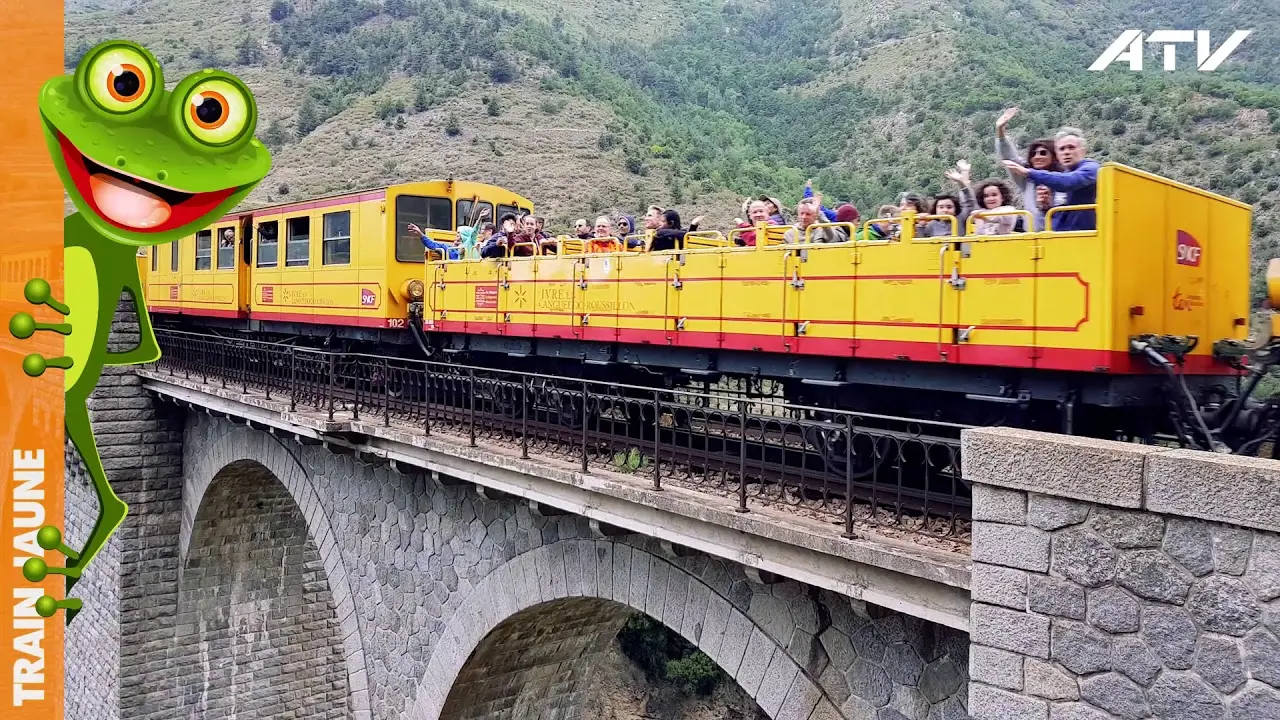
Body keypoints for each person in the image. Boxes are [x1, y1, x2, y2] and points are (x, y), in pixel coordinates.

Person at [1004, 127, 1098, 232]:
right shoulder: (1065, 173)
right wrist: (1047, 206)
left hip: (1085, 236)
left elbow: (1068, 182)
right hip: (1061, 236)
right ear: (1057, 154)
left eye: (1071, 147)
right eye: (1062, 149)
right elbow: (1062, 214)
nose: (1066, 152)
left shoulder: (1091, 168)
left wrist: (1028, 172)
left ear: (1083, 151)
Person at [995, 107, 1066, 231]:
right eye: (1034, 153)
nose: (1037, 157)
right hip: (1032, 239)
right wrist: (1000, 131)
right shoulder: (1027, 180)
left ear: (1054, 156)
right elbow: (1010, 158)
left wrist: (1048, 204)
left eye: (1043, 153)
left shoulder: (1065, 178)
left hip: (1059, 237)